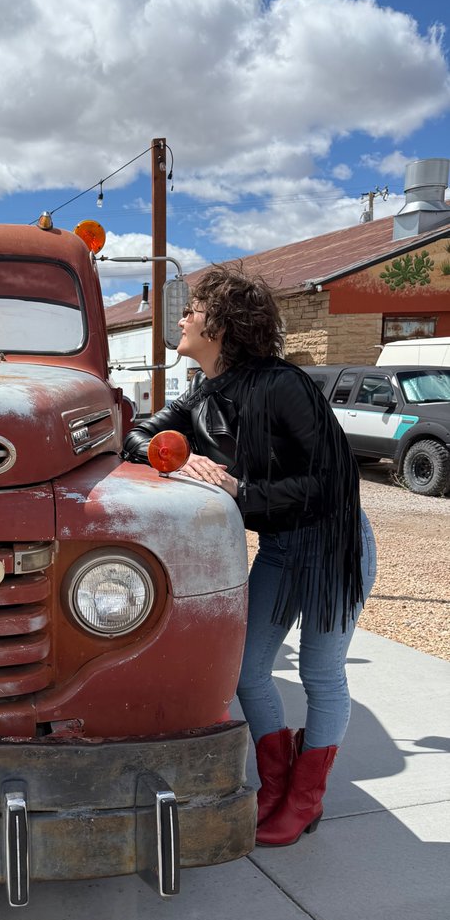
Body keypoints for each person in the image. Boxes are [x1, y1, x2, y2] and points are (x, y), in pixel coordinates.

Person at [123, 265, 377, 847]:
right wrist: (175, 459)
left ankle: (305, 800)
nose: (183, 317)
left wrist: (244, 494)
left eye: (195, 308)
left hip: (334, 544)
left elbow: (334, 481)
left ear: (223, 323)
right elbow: (136, 432)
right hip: (282, 547)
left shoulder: (285, 384)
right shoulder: (203, 392)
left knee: (319, 673)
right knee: (246, 672)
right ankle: (275, 784)